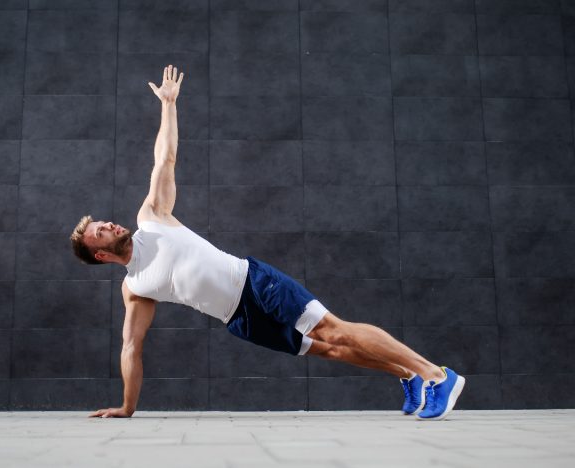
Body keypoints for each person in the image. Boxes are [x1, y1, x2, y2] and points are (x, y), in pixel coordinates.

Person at [70, 65, 465, 420]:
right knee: (329, 349)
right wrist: (127, 407)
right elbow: (131, 348)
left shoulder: (151, 218)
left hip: (255, 283)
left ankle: (436, 375)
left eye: (104, 222)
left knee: (334, 330)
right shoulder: (135, 288)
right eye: (100, 232)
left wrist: (169, 105)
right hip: (239, 320)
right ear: (101, 254)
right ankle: (408, 374)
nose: (109, 224)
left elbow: (165, 159)